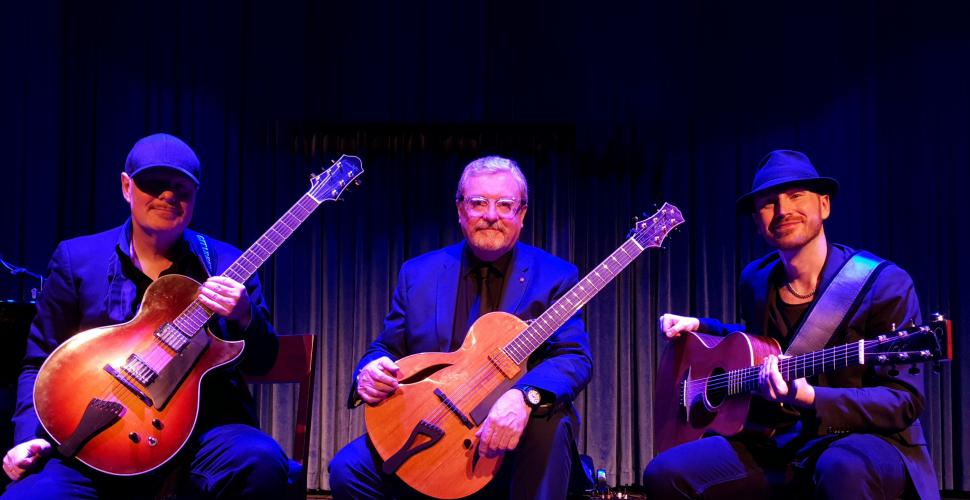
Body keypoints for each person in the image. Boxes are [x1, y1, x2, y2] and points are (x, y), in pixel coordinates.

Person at [1, 133, 289, 499]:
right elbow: (39, 362)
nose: (168, 196)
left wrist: (246, 316)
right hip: (90, 434)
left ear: (195, 196)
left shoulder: (227, 263)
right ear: (126, 186)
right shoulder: (77, 260)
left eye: (181, 188)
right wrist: (28, 438)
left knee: (261, 461)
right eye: (154, 184)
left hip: (200, 436)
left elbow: (263, 361)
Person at [643, 150, 938, 499]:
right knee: (665, 474)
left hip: (870, 442)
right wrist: (702, 326)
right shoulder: (755, 280)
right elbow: (762, 346)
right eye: (769, 203)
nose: (783, 211)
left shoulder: (883, 283)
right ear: (757, 221)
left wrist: (808, 395)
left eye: (796, 196)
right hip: (781, 440)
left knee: (840, 469)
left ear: (824, 205)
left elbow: (902, 401)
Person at [328, 156, 593, 499]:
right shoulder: (418, 274)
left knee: (550, 428)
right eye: (478, 203)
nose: (491, 215)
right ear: (460, 210)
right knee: (348, 471)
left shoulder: (556, 277)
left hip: (517, 431)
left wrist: (523, 396)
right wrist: (368, 371)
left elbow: (573, 358)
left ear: (522, 214)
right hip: (435, 427)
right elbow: (388, 349)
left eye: (505, 204)